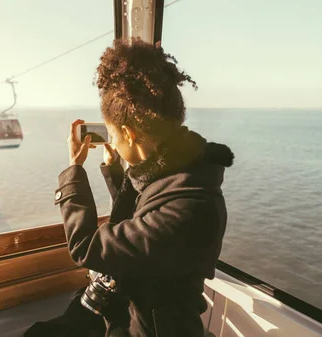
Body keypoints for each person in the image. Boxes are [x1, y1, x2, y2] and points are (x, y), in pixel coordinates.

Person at [24, 38, 234, 337]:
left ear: (128, 133)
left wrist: (74, 171)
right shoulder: (183, 172)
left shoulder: (190, 208)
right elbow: (146, 213)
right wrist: (112, 169)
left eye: (112, 135)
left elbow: (86, 247)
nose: (111, 142)